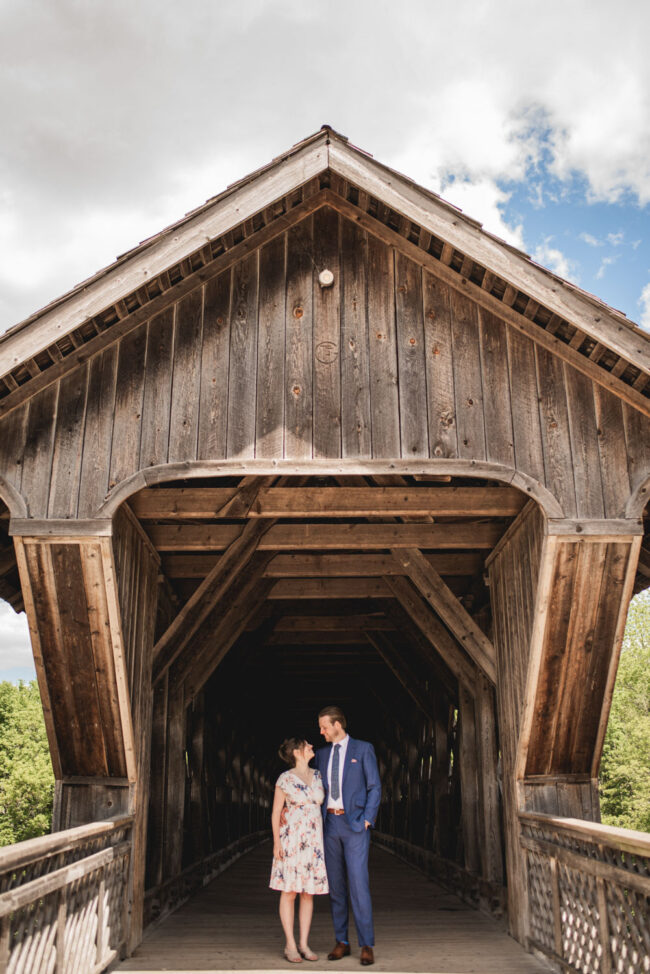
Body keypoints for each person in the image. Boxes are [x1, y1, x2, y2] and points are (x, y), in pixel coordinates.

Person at [314, 706, 381, 967]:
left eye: (324, 727)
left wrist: (367, 819)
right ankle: (341, 940)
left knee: (359, 885)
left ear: (338, 725)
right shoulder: (320, 754)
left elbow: (375, 786)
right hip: (330, 824)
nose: (321, 732)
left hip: (354, 826)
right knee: (336, 887)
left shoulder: (363, 749)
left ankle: (366, 944)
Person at [269, 738, 329, 963]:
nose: (312, 746)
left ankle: (304, 943)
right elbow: (276, 812)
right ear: (297, 751)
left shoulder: (318, 775)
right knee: (289, 891)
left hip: (314, 842)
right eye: (307, 745)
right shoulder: (284, 779)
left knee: (308, 892)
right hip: (292, 839)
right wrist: (277, 842)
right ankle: (290, 944)